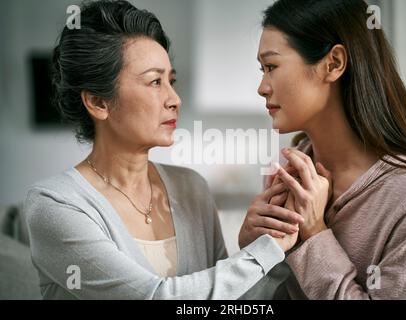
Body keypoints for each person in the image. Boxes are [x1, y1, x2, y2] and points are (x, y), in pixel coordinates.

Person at [24, 0, 299, 300]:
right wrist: (264, 252)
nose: (175, 99)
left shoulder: (191, 188)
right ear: (98, 103)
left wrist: (275, 241)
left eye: (172, 80)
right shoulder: (54, 206)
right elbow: (156, 297)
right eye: (155, 81)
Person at [239, 0, 406, 299]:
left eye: (272, 66)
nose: (262, 86)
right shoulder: (289, 172)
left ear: (334, 63)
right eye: (263, 69)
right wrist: (255, 251)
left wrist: (314, 233)